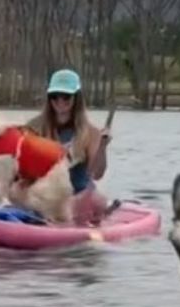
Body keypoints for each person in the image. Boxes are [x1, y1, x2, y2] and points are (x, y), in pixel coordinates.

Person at [24, 69, 113, 225]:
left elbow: (97, 174)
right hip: (45, 195)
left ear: (76, 98)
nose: (60, 101)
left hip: (78, 196)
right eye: (54, 96)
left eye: (66, 96)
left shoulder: (91, 132)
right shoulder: (33, 128)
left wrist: (102, 147)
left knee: (97, 200)